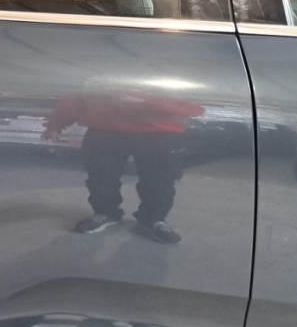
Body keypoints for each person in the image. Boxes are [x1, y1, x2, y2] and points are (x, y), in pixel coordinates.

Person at [43, 90, 204, 244]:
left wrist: (147, 102)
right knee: (101, 177)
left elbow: (194, 107)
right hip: (105, 130)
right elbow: (77, 98)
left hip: (159, 132)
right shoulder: (106, 75)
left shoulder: (169, 78)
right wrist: (55, 125)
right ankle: (105, 213)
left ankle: (154, 219)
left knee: (160, 180)